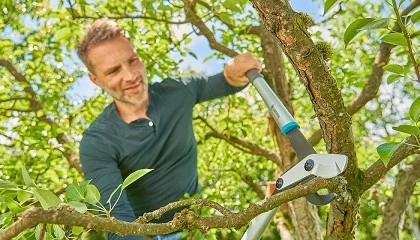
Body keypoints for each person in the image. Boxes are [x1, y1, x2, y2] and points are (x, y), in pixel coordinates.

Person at [77, 18, 262, 240]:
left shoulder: (176, 92)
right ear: (95, 79)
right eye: (113, 71)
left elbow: (225, 81)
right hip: (149, 234)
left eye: (133, 60)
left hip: (198, 223)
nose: (130, 75)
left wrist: (234, 70)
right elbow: (117, 222)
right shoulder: (97, 141)